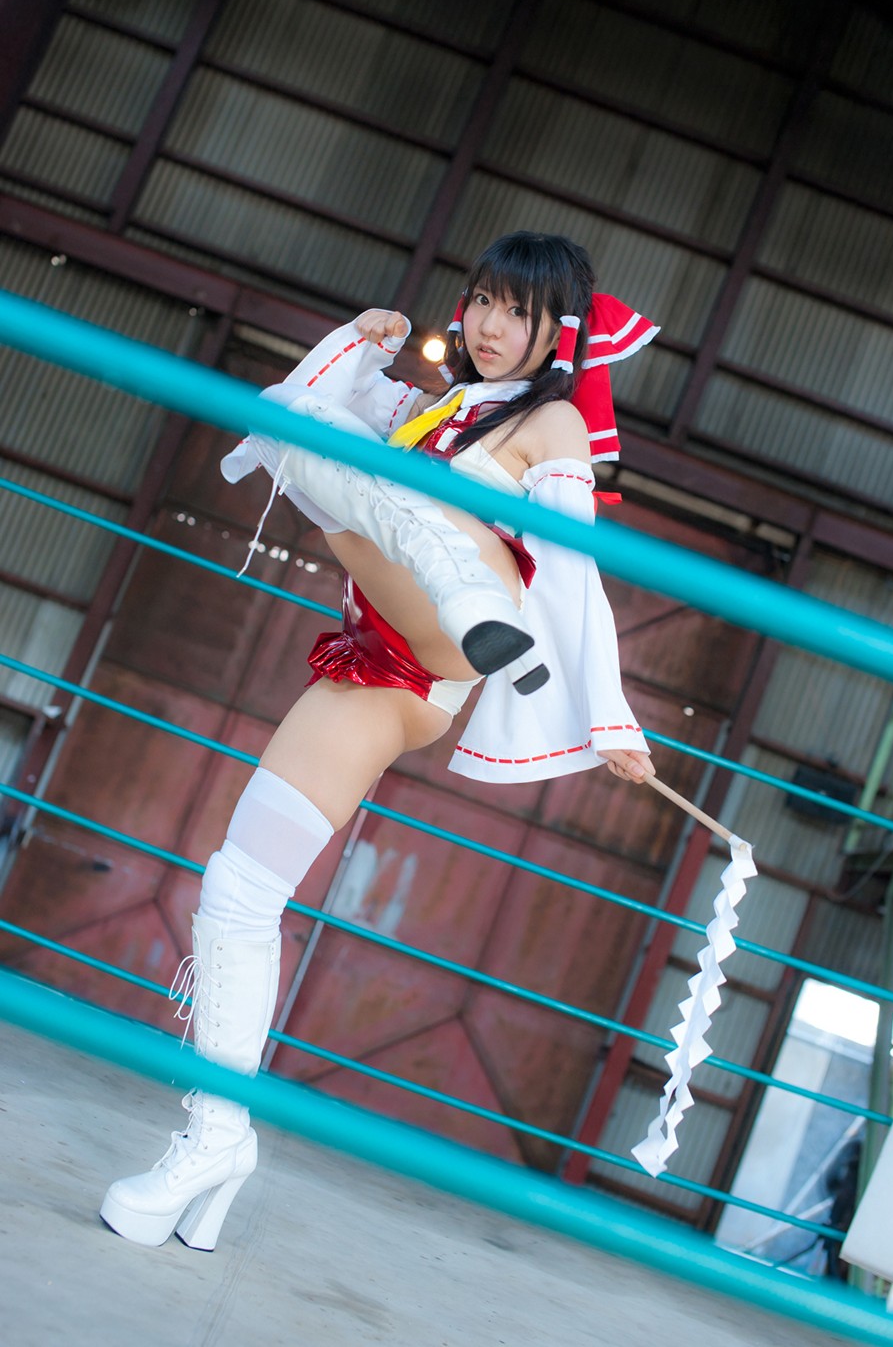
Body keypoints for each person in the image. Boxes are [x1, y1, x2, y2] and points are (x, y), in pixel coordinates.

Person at [100, 230, 657, 1250]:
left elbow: (573, 570)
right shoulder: (443, 408)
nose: (489, 325)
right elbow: (297, 415)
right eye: (481, 300)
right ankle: (215, 1137)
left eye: (518, 312)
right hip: (375, 654)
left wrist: (608, 711)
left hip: (450, 638)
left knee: (356, 468)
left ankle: (456, 581)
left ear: (559, 333)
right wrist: (362, 345)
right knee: (237, 889)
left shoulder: (553, 426)